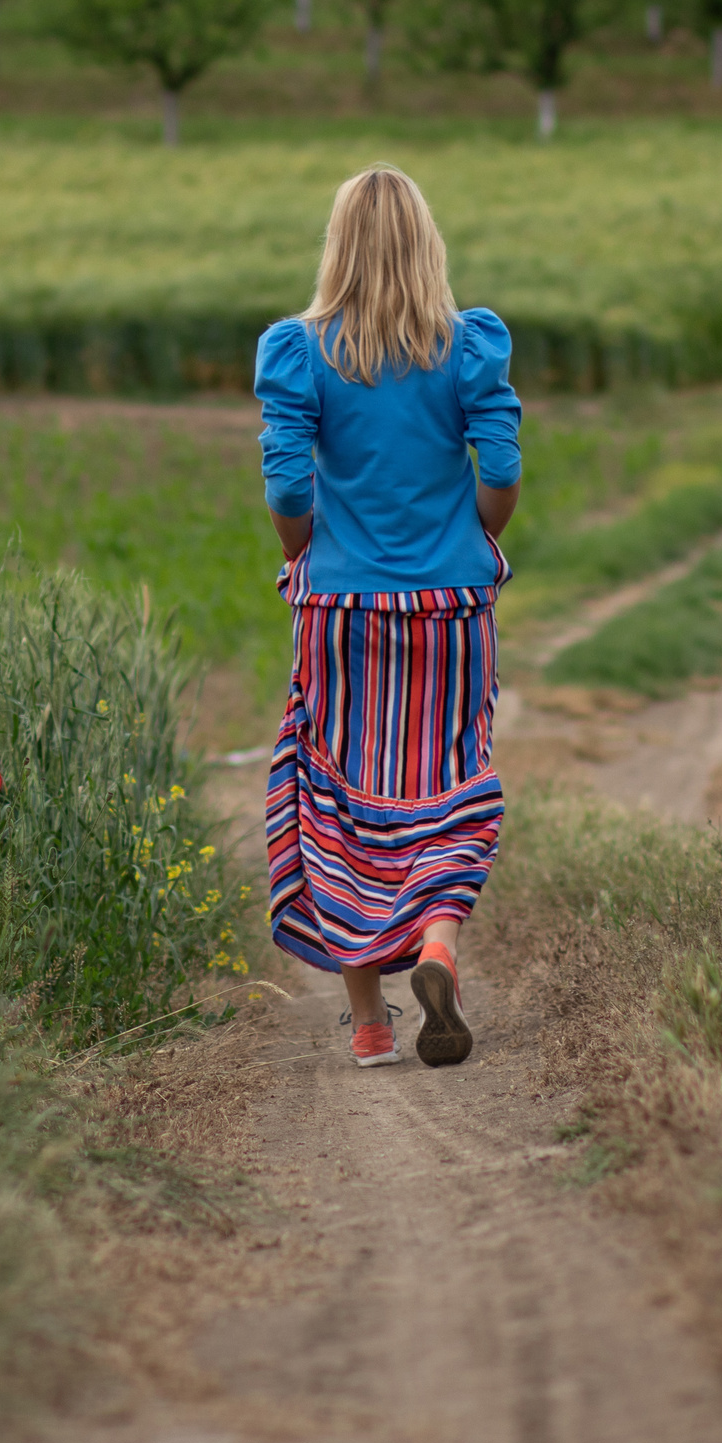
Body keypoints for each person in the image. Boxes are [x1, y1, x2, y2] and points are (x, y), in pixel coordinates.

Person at [255, 164, 521, 1070]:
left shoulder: (299, 350)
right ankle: (438, 943)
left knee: (334, 798)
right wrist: (470, 537)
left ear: (337, 247)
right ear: (426, 242)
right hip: (450, 611)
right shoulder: (469, 344)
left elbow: (289, 484)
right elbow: (503, 470)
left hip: (339, 609)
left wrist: (303, 550)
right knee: (451, 780)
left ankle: (370, 1024)